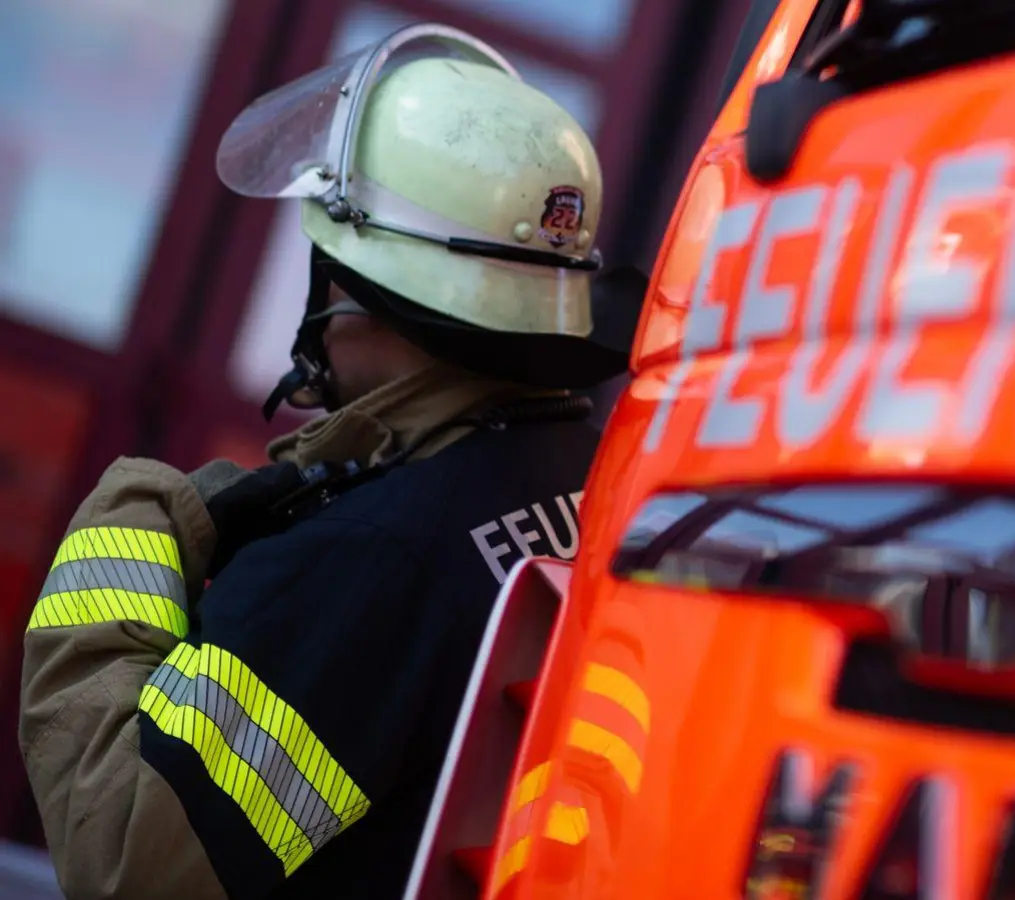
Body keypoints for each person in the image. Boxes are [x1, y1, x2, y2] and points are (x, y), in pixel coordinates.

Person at [16, 24, 638, 900]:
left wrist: (130, 519)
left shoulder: (367, 558)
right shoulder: (584, 472)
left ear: (363, 294)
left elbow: (125, 862)